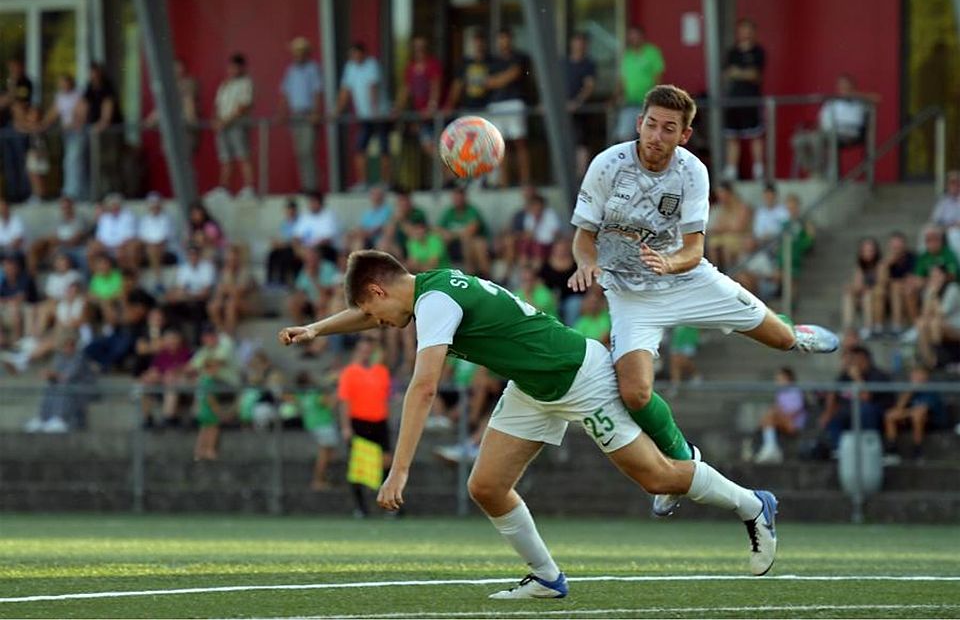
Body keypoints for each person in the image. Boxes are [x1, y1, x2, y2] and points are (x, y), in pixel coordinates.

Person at [279, 251, 780, 597]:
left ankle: (753, 504)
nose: (380, 324)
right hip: (533, 385)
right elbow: (367, 317)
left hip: (577, 376)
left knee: (658, 476)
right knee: (487, 486)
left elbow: (424, 387)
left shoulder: (434, 303)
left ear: (377, 289)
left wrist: (400, 469)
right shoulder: (428, 289)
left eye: (375, 313)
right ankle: (545, 576)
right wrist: (316, 328)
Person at [567, 84, 838, 517]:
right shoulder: (607, 165)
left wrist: (668, 264)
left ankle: (794, 333)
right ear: (639, 123)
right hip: (632, 296)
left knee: (781, 342)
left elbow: (694, 249)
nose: (656, 135)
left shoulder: (692, 172)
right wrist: (587, 264)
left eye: (668, 128)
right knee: (635, 393)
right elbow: (583, 237)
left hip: (689, 280)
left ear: (684, 135)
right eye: (651, 125)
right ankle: (678, 460)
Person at [334, 335, 392, 518]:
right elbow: (344, 401)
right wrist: (345, 427)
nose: (366, 353)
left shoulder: (381, 371)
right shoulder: (349, 372)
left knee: (386, 463)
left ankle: (389, 505)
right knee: (358, 468)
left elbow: (385, 397)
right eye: (363, 349)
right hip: (359, 422)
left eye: (369, 349)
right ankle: (361, 507)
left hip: (379, 422)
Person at [791, 75, 875, 179]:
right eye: (842, 87)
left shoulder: (860, 102)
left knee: (817, 138)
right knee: (798, 140)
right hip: (827, 131)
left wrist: (854, 95)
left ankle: (818, 173)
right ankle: (812, 169)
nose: (844, 90)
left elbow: (877, 99)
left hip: (848, 133)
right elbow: (821, 120)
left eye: (847, 87)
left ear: (853, 87)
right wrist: (817, 128)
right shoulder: (832, 102)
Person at [336, 42, 391, 188]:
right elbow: (345, 90)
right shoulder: (350, 67)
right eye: (352, 55)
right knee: (360, 148)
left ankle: (385, 182)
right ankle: (363, 182)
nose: (354, 57)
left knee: (383, 148)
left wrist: (374, 111)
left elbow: (373, 87)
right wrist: (337, 111)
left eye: (356, 54)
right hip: (364, 117)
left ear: (363, 53)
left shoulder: (372, 64)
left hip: (379, 115)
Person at [485, 28, 531, 187]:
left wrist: (497, 80)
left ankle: (525, 180)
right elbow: (486, 82)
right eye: (500, 38)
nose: (503, 42)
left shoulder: (520, 57)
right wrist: (501, 79)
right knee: (501, 145)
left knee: (520, 142)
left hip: (514, 103)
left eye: (506, 38)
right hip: (496, 105)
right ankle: (504, 182)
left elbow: (514, 74)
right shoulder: (492, 60)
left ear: (511, 39)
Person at [391, 36, 443, 176]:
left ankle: (451, 174)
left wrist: (432, 106)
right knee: (428, 146)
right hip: (420, 115)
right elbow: (405, 90)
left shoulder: (432, 64)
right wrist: (398, 108)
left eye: (422, 47)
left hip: (434, 115)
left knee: (437, 145)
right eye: (416, 47)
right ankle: (450, 174)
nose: (419, 50)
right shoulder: (410, 68)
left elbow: (435, 85)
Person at [278, 37, 324, 193]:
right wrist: (282, 113)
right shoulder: (290, 70)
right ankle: (305, 185)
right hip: (295, 114)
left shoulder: (313, 68)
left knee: (308, 151)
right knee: (299, 153)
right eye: (296, 52)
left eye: (300, 52)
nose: (298, 55)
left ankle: (313, 186)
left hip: (308, 113)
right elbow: (285, 93)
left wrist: (317, 112)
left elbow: (317, 92)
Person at [722, 19, 766, 181]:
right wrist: (742, 73)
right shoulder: (732, 52)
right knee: (732, 137)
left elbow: (755, 75)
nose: (745, 33)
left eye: (748, 30)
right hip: (733, 100)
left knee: (755, 135)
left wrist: (738, 72)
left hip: (751, 100)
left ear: (753, 32)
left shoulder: (758, 52)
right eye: (742, 30)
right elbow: (726, 73)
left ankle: (759, 170)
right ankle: (731, 170)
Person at [209, 53, 255, 199]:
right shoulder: (225, 84)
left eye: (235, 67)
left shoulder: (246, 83)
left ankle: (249, 188)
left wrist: (225, 121)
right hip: (223, 126)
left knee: (243, 156)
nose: (232, 70)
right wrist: (216, 120)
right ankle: (224, 189)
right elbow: (217, 105)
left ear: (241, 68)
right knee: (225, 158)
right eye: (230, 67)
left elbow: (243, 106)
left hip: (237, 125)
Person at [612, 27, 664, 143]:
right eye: (631, 36)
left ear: (642, 37)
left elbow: (658, 77)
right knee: (624, 136)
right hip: (629, 103)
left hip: (647, 103)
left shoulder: (652, 52)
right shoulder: (627, 56)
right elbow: (623, 79)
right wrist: (614, 97)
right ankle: (630, 161)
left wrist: (656, 99)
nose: (633, 39)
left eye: (636, 36)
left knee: (648, 135)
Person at [883, 366, 943, 462]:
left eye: (920, 374)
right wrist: (910, 391)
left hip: (930, 421)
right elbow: (899, 408)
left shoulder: (931, 390)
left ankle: (918, 449)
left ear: (926, 376)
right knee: (890, 415)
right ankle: (892, 450)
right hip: (910, 418)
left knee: (917, 415)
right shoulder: (909, 390)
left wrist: (905, 413)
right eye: (914, 374)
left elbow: (923, 409)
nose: (917, 377)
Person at [81, 62, 124, 197]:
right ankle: (99, 192)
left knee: (110, 162)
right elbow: (83, 105)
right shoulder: (90, 88)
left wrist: (101, 124)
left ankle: (113, 192)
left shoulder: (107, 88)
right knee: (97, 163)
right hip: (95, 133)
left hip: (109, 133)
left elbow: (108, 109)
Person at [41, 74, 85, 199]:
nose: (61, 85)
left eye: (63, 82)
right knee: (68, 161)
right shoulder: (60, 97)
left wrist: (72, 124)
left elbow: (80, 114)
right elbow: (53, 114)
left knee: (73, 160)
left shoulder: (78, 95)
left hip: (77, 133)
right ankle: (69, 190)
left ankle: (74, 192)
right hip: (67, 134)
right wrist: (41, 125)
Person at [144, 59, 200, 154]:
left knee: (182, 157)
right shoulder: (167, 87)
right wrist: (150, 120)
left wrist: (191, 121)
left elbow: (189, 108)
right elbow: (161, 108)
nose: (176, 70)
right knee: (172, 157)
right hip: (171, 130)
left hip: (183, 130)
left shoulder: (188, 84)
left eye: (178, 67)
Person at [753, 367, 806, 464]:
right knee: (769, 417)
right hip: (783, 421)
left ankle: (771, 448)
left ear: (788, 379)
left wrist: (777, 414)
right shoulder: (780, 394)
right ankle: (770, 447)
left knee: (770, 415)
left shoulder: (795, 391)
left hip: (793, 424)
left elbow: (794, 412)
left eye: (780, 379)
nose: (777, 382)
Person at [564, 32, 597, 178]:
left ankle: (580, 174)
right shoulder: (563, 63)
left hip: (582, 109)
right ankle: (565, 172)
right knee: (564, 140)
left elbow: (589, 86)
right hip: (563, 109)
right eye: (577, 42)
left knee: (581, 141)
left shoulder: (589, 64)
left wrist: (577, 102)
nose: (579, 46)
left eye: (582, 43)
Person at [1, 57, 33, 201]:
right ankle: (13, 193)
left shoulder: (26, 83)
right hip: (5, 128)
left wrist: (11, 91)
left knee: (22, 161)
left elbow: (18, 102)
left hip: (20, 128)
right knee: (9, 162)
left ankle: (24, 192)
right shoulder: (6, 84)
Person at [841, 238, 883, 339]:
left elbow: (882, 284)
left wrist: (866, 289)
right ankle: (848, 329)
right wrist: (851, 288)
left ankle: (868, 327)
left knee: (868, 295)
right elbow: (857, 285)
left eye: (870, 250)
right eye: (865, 250)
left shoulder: (881, 265)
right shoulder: (859, 266)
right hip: (864, 296)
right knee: (848, 295)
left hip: (878, 298)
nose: (868, 253)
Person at [877, 231, 915, 335]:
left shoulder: (912, 258)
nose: (897, 248)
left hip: (906, 291)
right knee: (878, 291)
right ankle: (877, 326)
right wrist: (887, 264)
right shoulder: (886, 261)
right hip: (887, 295)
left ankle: (897, 325)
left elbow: (911, 278)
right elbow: (881, 282)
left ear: (904, 245)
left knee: (896, 287)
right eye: (894, 245)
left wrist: (895, 282)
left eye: (899, 244)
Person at [930, 170, 960, 256]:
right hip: (944, 228)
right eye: (952, 183)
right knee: (927, 231)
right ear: (947, 185)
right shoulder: (943, 200)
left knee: (954, 234)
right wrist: (941, 227)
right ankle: (926, 263)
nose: (955, 186)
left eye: (957, 183)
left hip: (956, 230)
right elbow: (935, 218)